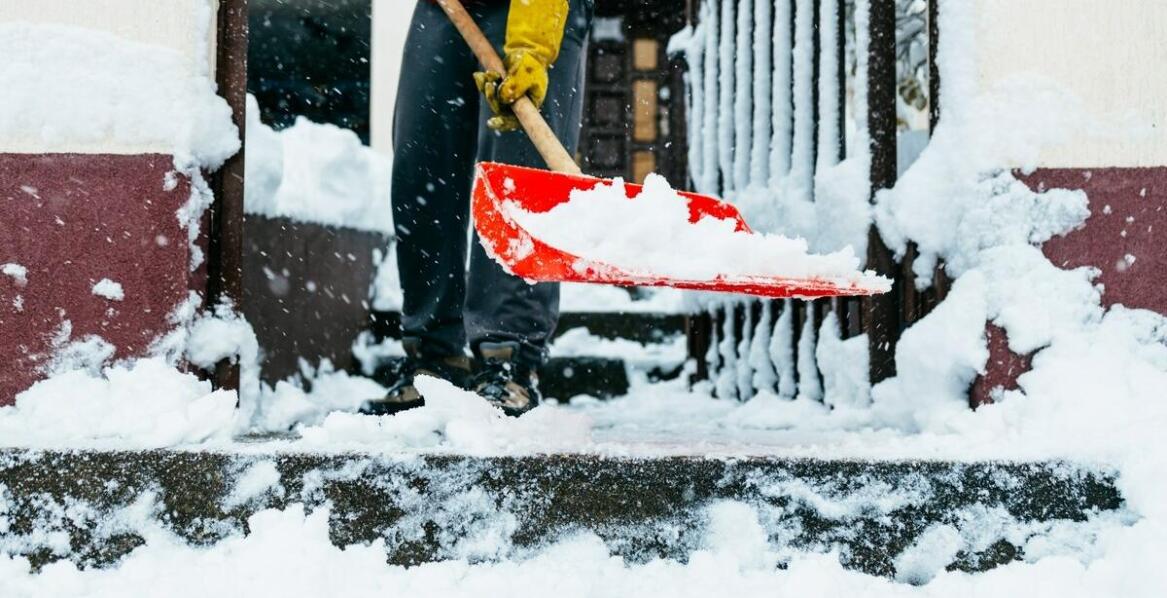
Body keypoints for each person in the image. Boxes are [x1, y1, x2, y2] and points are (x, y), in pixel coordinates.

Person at [361, 0, 594, 417]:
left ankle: (508, 358)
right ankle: (433, 357)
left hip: (538, 9)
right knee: (422, 166)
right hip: (445, 6)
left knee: (518, 180)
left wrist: (533, 46)